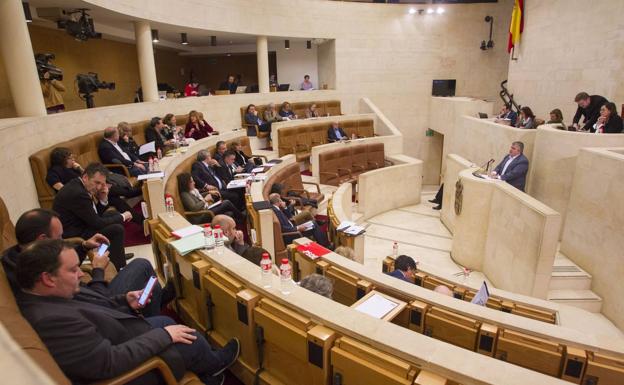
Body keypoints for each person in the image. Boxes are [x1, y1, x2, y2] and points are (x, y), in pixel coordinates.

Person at [15, 239, 240, 385]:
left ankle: (206, 371)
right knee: (187, 337)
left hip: (120, 332)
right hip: (133, 368)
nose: (81, 275)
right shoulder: (51, 321)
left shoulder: (49, 295)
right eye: (73, 270)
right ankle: (215, 365)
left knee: (165, 322)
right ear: (47, 278)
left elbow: (92, 306)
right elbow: (108, 362)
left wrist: (123, 299)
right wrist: (164, 335)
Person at [1, 209, 170, 318]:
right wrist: (97, 270)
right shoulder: (32, 274)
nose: (62, 241)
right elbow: (96, 301)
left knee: (152, 287)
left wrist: (83, 246)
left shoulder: (16, 255)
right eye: (59, 237)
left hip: (93, 297)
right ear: (42, 239)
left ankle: (156, 300)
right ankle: (151, 317)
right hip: (101, 305)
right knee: (142, 265)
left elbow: (61, 265)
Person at [53, 163, 132, 270]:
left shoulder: (80, 185)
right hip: (75, 233)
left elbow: (95, 216)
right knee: (116, 229)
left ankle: (113, 255)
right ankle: (119, 267)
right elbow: (97, 222)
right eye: (97, 183)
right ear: (85, 177)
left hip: (82, 225)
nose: (99, 187)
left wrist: (103, 199)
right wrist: (123, 216)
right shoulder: (78, 193)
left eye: (102, 184)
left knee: (112, 214)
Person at [177, 173, 243, 224]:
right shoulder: (184, 195)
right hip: (201, 216)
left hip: (205, 210)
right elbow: (194, 208)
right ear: (185, 183)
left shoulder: (192, 191)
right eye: (191, 182)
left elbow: (198, 197)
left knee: (229, 213)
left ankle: (238, 223)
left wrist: (209, 192)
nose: (194, 183)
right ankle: (242, 217)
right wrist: (205, 199)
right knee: (226, 203)